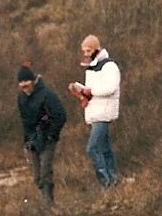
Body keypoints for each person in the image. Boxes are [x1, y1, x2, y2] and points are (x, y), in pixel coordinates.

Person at [68, 34, 121, 188]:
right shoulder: (91, 67)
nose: (85, 54)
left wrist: (88, 91)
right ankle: (113, 179)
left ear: (97, 48)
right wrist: (80, 91)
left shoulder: (109, 66)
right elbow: (92, 91)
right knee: (105, 148)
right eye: (84, 51)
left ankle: (105, 181)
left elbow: (110, 88)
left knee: (92, 147)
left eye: (88, 50)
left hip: (103, 112)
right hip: (95, 111)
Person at [16, 62, 66, 206]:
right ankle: (46, 202)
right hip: (33, 140)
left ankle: (49, 204)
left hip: (47, 139)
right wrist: (27, 141)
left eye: (26, 80)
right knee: (37, 177)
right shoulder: (21, 98)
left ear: (33, 80)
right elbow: (24, 121)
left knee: (45, 172)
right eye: (21, 82)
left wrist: (51, 134)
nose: (24, 84)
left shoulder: (47, 95)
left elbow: (60, 115)